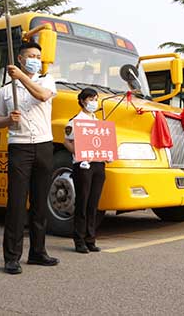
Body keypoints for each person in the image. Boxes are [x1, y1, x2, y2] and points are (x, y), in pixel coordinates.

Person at [0, 41, 59, 275]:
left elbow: (42, 96)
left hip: (43, 145)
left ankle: (38, 252)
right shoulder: (5, 90)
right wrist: (8, 120)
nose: (35, 60)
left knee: (40, 202)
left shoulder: (46, 81)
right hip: (19, 147)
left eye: (38, 57)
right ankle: (12, 257)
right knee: (17, 204)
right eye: (31, 56)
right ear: (20, 59)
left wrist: (21, 77)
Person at [64, 88, 106, 253]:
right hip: (83, 165)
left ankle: (90, 239)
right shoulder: (75, 121)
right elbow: (67, 142)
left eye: (96, 99)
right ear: (82, 101)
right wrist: (78, 152)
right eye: (90, 99)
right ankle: (79, 240)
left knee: (93, 203)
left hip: (99, 164)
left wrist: (108, 154)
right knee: (82, 202)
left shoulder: (99, 122)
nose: (94, 102)